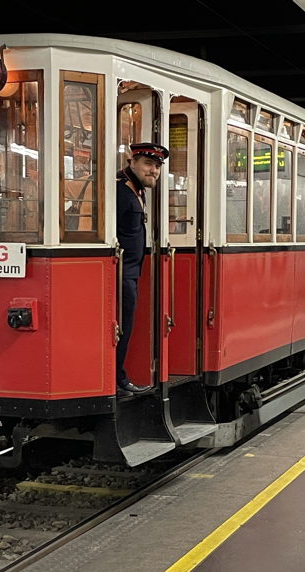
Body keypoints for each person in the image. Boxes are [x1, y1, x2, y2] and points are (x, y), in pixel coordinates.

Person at [116, 142, 169, 395]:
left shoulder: (135, 189)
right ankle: (116, 379)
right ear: (132, 162)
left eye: (157, 166)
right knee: (120, 329)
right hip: (120, 274)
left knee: (125, 328)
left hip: (128, 273)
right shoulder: (121, 191)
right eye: (148, 164)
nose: (153, 171)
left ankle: (117, 377)